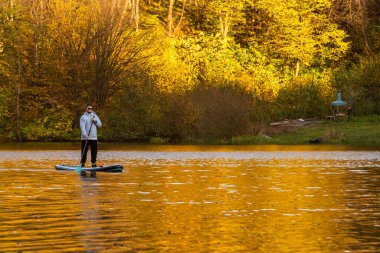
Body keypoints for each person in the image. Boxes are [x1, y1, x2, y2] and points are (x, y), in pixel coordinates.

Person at [80, 104, 102, 176]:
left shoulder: (95, 116)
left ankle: (94, 163)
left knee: (94, 151)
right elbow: (82, 127)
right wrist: (85, 134)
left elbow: (100, 125)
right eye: (88, 108)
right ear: (86, 109)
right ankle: (82, 164)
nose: (90, 109)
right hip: (85, 138)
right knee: (84, 151)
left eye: (91, 108)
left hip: (94, 137)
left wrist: (95, 121)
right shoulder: (83, 117)